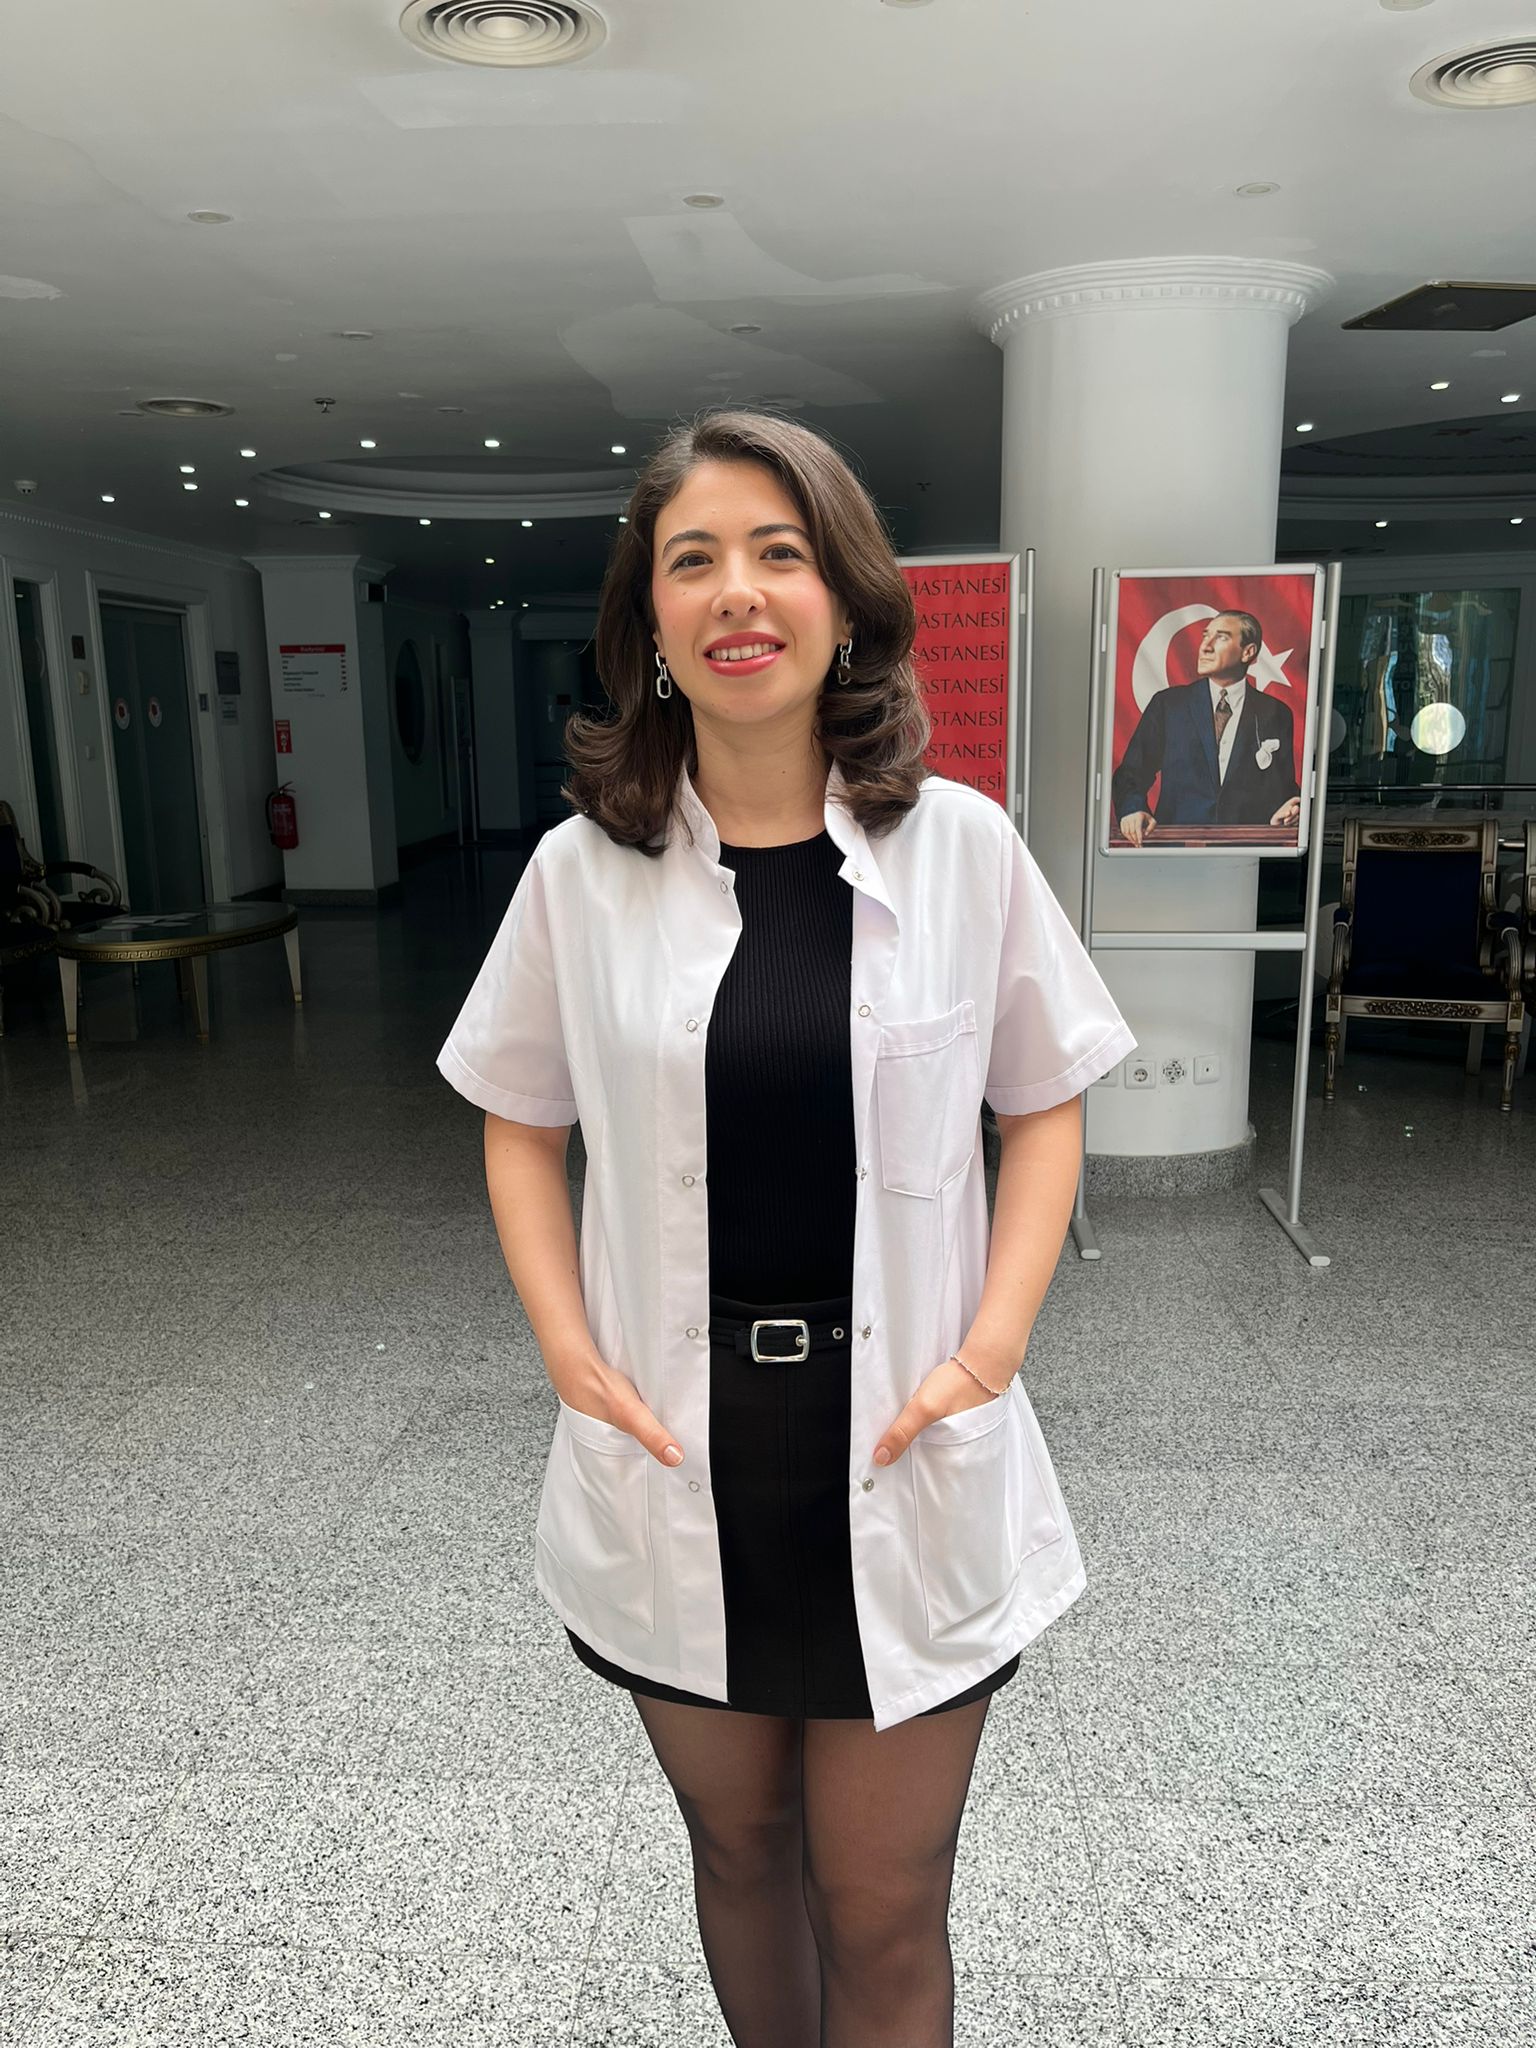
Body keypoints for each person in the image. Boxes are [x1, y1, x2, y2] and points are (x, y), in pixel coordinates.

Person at [436, 409, 1133, 2047]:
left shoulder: (956, 847)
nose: (737, 592)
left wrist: (991, 1348)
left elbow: (1044, 1098)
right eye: (693, 560)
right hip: (683, 1441)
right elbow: (519, 1116)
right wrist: (566, 1349)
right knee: (739, 1853)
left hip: (901, 1428)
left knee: (883, 1898)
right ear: (650, 621)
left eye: (779, 552)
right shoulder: (581, 873)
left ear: (844, 601)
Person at [1112, 609, 1303, 845]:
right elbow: (1131, 773)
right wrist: (1132, 809)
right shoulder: (1168, 705)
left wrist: (1289, 809)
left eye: (1221, 637)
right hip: (1175, 850)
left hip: (1245, 852)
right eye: (1205, 636)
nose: (1205, 646)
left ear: (1248, 652)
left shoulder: (1276, 713)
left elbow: (1282, 789)